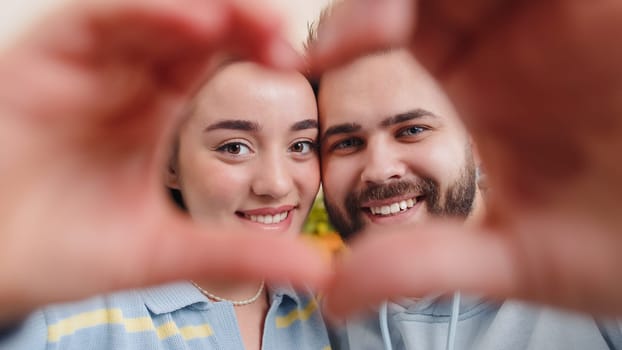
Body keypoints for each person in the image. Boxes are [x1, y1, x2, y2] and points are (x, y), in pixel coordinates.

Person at [0, 0, 330, 330]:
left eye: (300, 145)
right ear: (169, 164)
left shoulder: (328, 308)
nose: (275, 184)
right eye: (234, 147)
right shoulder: (66, 311)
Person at [307, 0, 622, 318]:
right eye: (347, 142)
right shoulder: (311, 319)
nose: (379, 169)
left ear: (476, 134)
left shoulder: (586, 279)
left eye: (412, 130)